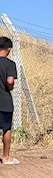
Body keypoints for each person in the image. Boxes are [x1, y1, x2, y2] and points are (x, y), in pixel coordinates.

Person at [0, 36, 17, 165]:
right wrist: (10, 87)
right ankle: (6, 157)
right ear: (9, 49)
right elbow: (10, 81)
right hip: (4, 101)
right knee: (6, 129)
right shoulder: (10, 64)